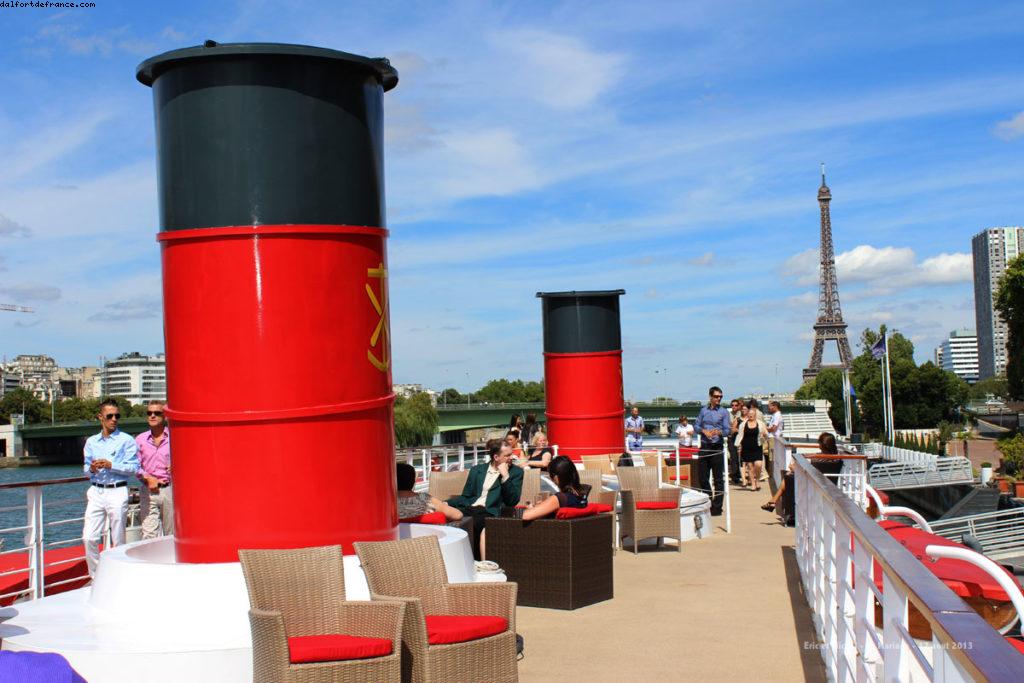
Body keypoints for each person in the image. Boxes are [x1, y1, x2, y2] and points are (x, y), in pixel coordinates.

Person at [82, 399, 140, 576]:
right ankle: (97, 575)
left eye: (117, 416)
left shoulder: (127, 440)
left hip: (117, 490)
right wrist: (91, 469)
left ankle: (119, 574)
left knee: (118, 537)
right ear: (101, 417)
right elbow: (85, 469)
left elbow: (134, 468)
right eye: (110, 416)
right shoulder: (91, 442)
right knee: (89, 537)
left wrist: (110, 464)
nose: (114, 419)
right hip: (96, 490)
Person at [447, 438, 524, 560]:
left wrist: (505, 476)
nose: (512, 457)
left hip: (490, 511)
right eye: (507, 455)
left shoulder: (516, 472)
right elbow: (466, 496)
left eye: (511, 454)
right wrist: (446, 503)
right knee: (447, 519)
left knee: (471, 523)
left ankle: (473, 560)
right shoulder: (477, 470)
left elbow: (512, 501)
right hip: (470, 508)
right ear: (496, 457)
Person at [763, 432, 840, 515]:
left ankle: (773, 501)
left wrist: (793, 469)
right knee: (789, 474)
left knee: (788, 475)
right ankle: (773, 501)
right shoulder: (837, 458)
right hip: (826, 482)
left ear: (822, 445)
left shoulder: (818, 459)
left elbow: (808, 470)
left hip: (814, 483)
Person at [135, 400, 174, 539]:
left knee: (171, 533)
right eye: (149, 413)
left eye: (157, 413)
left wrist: (177, 467)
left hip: (170, 489)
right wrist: (146, 476)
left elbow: (189, 459)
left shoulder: (175, 437)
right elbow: (135, 465)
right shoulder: (140, 439)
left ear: (165, 416)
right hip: (148, 490)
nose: (152, 416)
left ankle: (170, 561)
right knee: (148, 534)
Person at [694, 386, 731, 516]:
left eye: (721, 396)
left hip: (717, 447)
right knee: (702, 477)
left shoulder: (724, 412)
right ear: (710, 397)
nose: (719, 398)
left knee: (718, 479)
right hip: (704, 446)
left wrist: (719, 432)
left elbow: (728, 431)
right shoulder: (703, 410)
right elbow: (696, 426)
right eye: (716, 396)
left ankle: (717, 508)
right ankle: (708, 501)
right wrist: (703, 431)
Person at [521, 455, 590, 520]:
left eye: (550, 475)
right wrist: (546, 504)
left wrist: (531, 508)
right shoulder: (581, 492)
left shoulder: (560, 498)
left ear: (556, 477)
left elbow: (526, 516)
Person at [395, 463, 463, 522]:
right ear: (412, 481)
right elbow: (458, 515)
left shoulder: (386, 504)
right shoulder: (425, 499)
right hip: (429, 536)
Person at [734, 399, 768, 491]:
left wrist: (764, 435)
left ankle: (757, 480)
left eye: (752, 415)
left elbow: (766, 434)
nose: (751, 416)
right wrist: (738, 446)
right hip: (746, 447)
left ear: (755, 415)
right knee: (750, 466)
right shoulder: (743, 424)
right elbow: (740, 435)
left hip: (757, 446)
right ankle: (753, 484)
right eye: (750, 415)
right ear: (748, 415)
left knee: (758, 464)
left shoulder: (760, 424)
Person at [767, 400, 786, 488]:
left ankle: (771, 475)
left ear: (775, 406)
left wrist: (765, 429)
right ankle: (771, 474)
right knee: (770, 455)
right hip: (772, 437)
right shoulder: (775, 415)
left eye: (770, 406)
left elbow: (774, 428)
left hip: (773, 437)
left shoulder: (777, 415)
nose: (768, 408)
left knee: (772, 456)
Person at [727, 399, 743, 485]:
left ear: (738, 406)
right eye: (732, 405)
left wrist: (733, 426)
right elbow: (728, 426)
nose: (734, 407)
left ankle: (741, 475)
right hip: (732, 438)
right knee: (733, 457)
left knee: (741, 458)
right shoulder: (728, 414)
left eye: (736, 405)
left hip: (740, 438)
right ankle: (735, 476)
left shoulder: (741, 414)